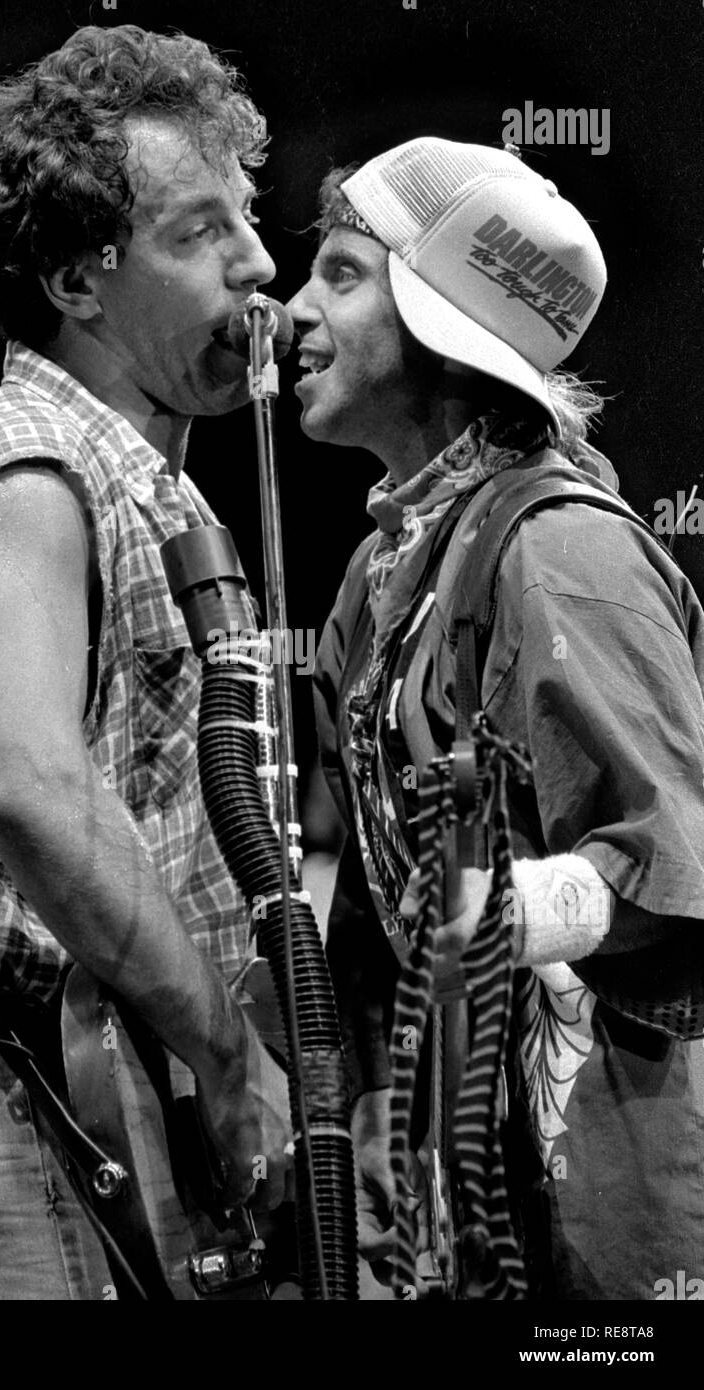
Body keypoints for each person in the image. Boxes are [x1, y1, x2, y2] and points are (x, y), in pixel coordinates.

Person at [0, 23, 291, 1300]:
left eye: (245, 218)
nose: (258, 264)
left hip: (96, 1091)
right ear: (79, 281)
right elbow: (26, 782)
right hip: (3, 1092)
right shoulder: (28, 465)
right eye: (199, 233)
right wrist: (222, 1043)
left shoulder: (140, 485)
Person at [288, 136, 704, 1299]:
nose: (291, 311)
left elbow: (670, 858)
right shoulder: (373, 584)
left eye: (339, 273)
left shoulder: (559, 551)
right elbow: (372, 921)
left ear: (436, 314)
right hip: (453, 1227)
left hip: (607, 1221)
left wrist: (482, 906)